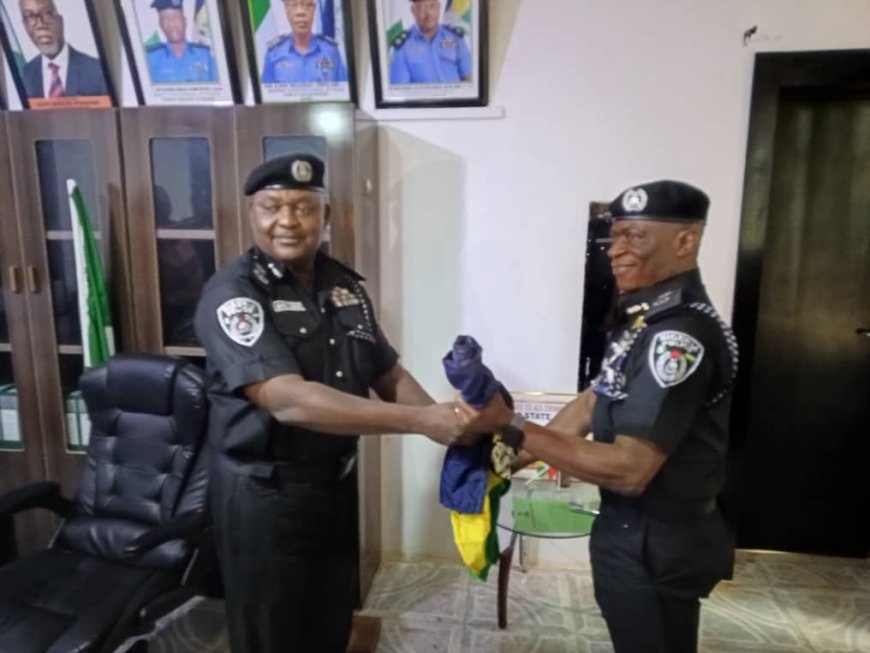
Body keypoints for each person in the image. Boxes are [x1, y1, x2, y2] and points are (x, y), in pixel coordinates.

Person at [194, 153, 470, 653]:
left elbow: (387, 372)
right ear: (251, 214)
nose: (287, 221)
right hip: (264, 494)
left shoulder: (344, 286)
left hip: (334, 485)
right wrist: (419, 421)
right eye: (272, 207)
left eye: (303, 207)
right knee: (272, 634)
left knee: (329, 620)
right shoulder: (234, 295)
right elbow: (287, 400)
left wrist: (447, 423)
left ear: (326, 214)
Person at [456, 180, 739, 653]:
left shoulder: (677, 337)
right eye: (616, 235)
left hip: (656, 538)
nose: (616, 249)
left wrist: (511, 425)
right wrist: (503, 460)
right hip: (633, 531)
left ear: (686, 241)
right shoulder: (643, 320)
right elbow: (592, 403)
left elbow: (630, 470)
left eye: (635, 236)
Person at [18, 0, 108, 98]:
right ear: (24, 26)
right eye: (29, 17)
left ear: (60, 21)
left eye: (47, 13)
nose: (40, 24)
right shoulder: (25, 74)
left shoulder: (97, 70)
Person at [261, 0, 347, 84]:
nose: (300, 12)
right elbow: (266, 92)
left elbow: (344, 90)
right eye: (293, 5)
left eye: (306, 5)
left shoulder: (331, 51)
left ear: (314, 9)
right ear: (286, 9)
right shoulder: (274, 54)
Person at [389, 0, 471, 84]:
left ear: (439, 7)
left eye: (432, 6)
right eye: (422, 8)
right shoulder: (402, 47)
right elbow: (401, 89)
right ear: (413, 11)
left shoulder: (455, 37)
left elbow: (470, 78)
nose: (429, 13)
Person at [146, 0, 218, 84]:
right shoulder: (150, 59)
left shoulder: (206, 56)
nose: (172, 24)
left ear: (185, 21)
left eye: (176, 17)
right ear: (160, 24)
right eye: (165, 19)